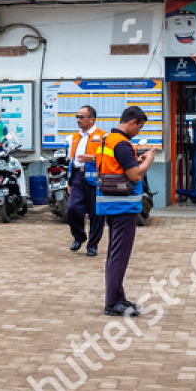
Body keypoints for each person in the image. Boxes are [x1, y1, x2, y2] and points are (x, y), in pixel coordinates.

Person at [94, 105, 157, 317]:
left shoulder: (108, 140)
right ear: (132, 122)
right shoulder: (122, 144)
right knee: (119, 256)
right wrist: (148, 160)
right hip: (123, 206)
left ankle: (118, 297)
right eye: (139, 127)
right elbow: (135, 176)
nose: (138, 131)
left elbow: (118, 168)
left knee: (115, 253)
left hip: (110, 204)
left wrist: (136, 161)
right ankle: (113, 303)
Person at [66, 105, 106, 256]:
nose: (78, 119)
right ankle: (79, 236)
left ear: (91, 119)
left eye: (81, 117)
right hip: (77, 176)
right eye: (77, 116)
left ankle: (93, 245)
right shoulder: (75, 137)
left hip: (95, 178)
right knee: (72, 208)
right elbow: (71, 159)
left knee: (96, 213)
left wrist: (93, 158)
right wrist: (69, 181)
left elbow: (109, 157)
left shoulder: (103, 136)